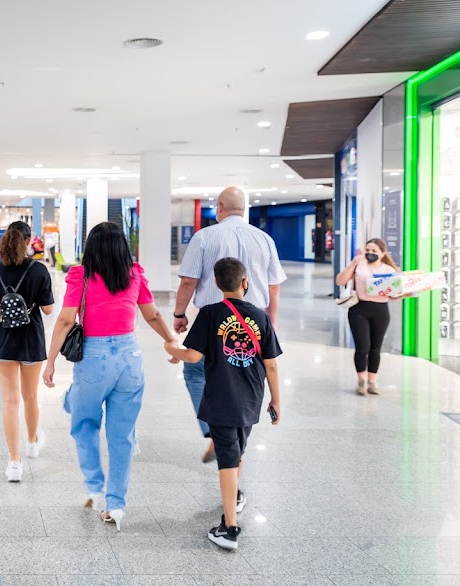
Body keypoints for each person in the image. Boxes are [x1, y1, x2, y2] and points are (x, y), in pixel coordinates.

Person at [43, 222, 177, 529]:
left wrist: (50, 362)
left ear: (91, 248)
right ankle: (116, 505)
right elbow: (152, 314)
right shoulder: (134, 274)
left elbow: (65, 320)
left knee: (84, 423)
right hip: (130, 358)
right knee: (122, 435)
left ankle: (93, 486)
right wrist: (170, 341)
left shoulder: (82, 275)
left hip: (94, 357)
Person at [165, 257, 283, 551]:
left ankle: (229, 528)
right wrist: (276, 400)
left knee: (230, 460)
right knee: (236, 453)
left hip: (220, 398)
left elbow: (193, 356)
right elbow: (271, 365)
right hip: (250, 399)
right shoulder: (260, 316)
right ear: (245, 282)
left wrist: (171, 349)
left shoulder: (210, 313)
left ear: (216, 284)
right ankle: (234, 500)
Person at [173, 187, 286, 463]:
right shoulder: (264, 239)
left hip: (212, 318)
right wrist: (268, 324)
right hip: (253, 320)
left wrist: (179, 314)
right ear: (244, 208)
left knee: (197, 373)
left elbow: (189, 281)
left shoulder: (204, 237)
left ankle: (215, 432)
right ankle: (237, 437)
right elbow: (273, 288)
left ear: (220, 207)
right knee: (245, 376)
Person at [0, 221, 54, 482]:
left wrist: (5, 307)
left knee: (10, 401)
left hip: (3, 340)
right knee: (30, 396)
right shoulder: (38, 270)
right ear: (28, 241)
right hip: (31, 340)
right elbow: (48, 310)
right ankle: (33, 442)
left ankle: (14, 462)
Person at [336, 238, 401, 395]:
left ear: (382, 253)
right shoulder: (359, 266)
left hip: (380, 310)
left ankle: (372, 381)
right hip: (359, 309)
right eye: (368, 250)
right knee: (362, 346)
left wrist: (402, 292)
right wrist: (352, 264)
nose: (370, 253)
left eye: (374, 251)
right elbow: (340, 281)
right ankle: (361, 380)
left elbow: (394, 295)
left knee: (375, 348)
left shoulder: (388, 271)